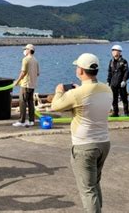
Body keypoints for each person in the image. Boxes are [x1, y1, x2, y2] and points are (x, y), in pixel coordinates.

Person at [51, 53, 112, 213]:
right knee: (95, 183)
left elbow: (55, 106)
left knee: (87, 190)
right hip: (103, 143)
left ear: (81, 71)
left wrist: (59, 91)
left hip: (85, 146)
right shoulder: (107, 89)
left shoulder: (76, 94)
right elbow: (91, 98)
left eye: (77, 67)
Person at [13, 44, 39, 127]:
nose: (24, 51)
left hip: (25, 84)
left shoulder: (25, 59)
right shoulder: (35, 60)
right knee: (31, 102)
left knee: (22, 102)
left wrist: (17, 81)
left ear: (29, 50)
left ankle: (22, 120)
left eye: (25, 49)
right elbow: (37, 73)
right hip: (33, 84)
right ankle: (31, 120)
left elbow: (23, 72)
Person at [107, 45, 129, 117]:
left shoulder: (123, 61)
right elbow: (110, 72)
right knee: (114, 99)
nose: (113, 52)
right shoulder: (111, 61)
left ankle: (126, 113)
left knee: (124, 98)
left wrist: (124, 80)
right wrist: (108, 81)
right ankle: (115, 112)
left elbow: (126, 72)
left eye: (115, 50)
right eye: (112, 50)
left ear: (119, 52)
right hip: (113, 83)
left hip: (121, 83)